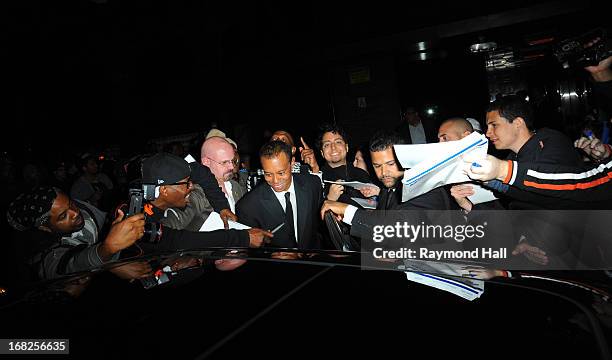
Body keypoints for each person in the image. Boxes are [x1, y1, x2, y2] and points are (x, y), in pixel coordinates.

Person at [139, 153, 272, 252]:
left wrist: (222, 207)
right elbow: (177, 240)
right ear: (164, 190)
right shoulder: (140, 219)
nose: (192, 186)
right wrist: (243, 238)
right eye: (187, 184)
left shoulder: (171, 181)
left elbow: (202, 173)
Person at [6, 186, 145, 281]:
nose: (75, 212)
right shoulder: (44, 254)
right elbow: (71, 265)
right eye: (62, 216)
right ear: (45, 228)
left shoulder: (75, 206)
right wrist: (109, 255)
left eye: (71, 204)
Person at [236, 141, 323, 249]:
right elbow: (250, 252)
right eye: (268, 174)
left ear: (292, 163)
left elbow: (319, 227)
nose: (275, 181)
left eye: (281, 173)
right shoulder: (248, 206)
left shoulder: (312, 184)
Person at [464, 154, 612, 202]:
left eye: (494, 125)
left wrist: (503, 170)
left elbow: (587, 183)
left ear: (517, 123)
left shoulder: (549, 146)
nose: (489, 133)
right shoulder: (513, 155)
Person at [316, 123, 372, 207]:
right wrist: (329, 199)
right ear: (322, 153)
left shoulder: (362, 175)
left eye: (338, 142)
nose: (333, 147)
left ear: (346, 147)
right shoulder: (317, 179)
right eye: (327, 144)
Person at [201, 137, 246, 213]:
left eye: (232, 161)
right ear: (206, 162)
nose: (232, 167)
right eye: (224, 162)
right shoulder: (197, 193)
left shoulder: (235, 186)